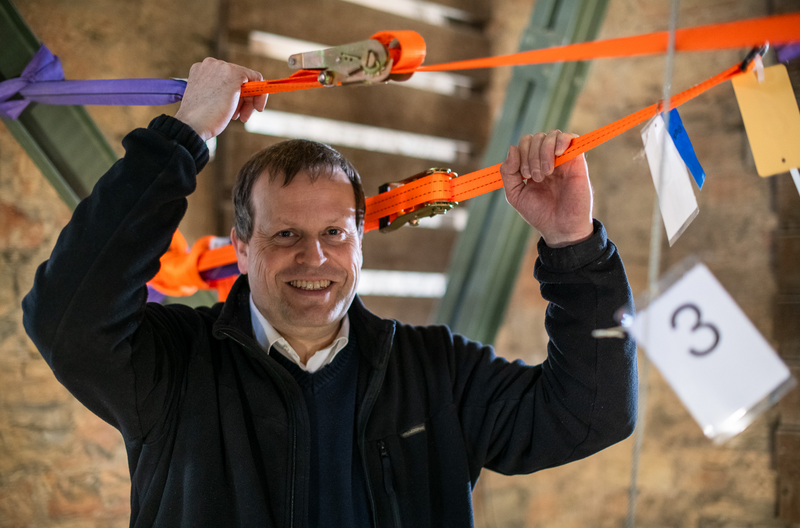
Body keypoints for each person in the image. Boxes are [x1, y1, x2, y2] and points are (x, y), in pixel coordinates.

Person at [23, 58, 637, 527]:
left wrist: (573, 243)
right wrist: (183, 137)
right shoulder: (173, 366)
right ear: (240, 245)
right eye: (285, 232)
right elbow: (65, 318)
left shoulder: (437, 373)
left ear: (360, 243)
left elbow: (593, 414)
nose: (313, 257)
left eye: (334, 234)